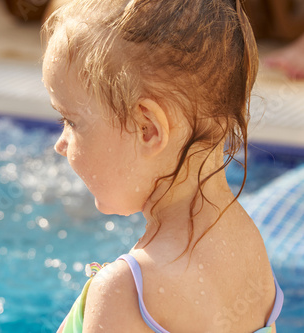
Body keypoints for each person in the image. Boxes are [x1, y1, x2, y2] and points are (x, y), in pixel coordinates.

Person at [41, 0, 284, 332]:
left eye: (71, 121)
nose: (61, 143)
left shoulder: (125, 291)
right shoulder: (250, 246)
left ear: (147, 129)